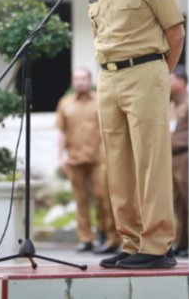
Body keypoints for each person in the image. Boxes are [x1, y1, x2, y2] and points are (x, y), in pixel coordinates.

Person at [88, 0, 185, 269]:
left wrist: (160, 75)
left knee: (151, 162)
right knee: (118, 163)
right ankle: (131, 242)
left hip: (145, 73)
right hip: (108, 76)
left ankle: (158, 244)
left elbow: (175, 33)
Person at [55, 68, 121, 254]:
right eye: (77, 79)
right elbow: (62, 132)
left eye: (84, 78)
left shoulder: (101, 99)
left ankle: (110, 237)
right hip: (75, 159)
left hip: (99, 159)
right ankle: (85, 239)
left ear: (90, 80)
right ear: (72, 81)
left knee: (104, 199)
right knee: (80, 201)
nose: (80, 82)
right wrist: (60, 157)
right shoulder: (65, 103)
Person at [170, 65, 189, 258]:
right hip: (171, 157)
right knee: (177, 201)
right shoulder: (171, 104)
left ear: (182, 82)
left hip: (186, 155)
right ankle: (181, 241)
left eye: (171, 79)